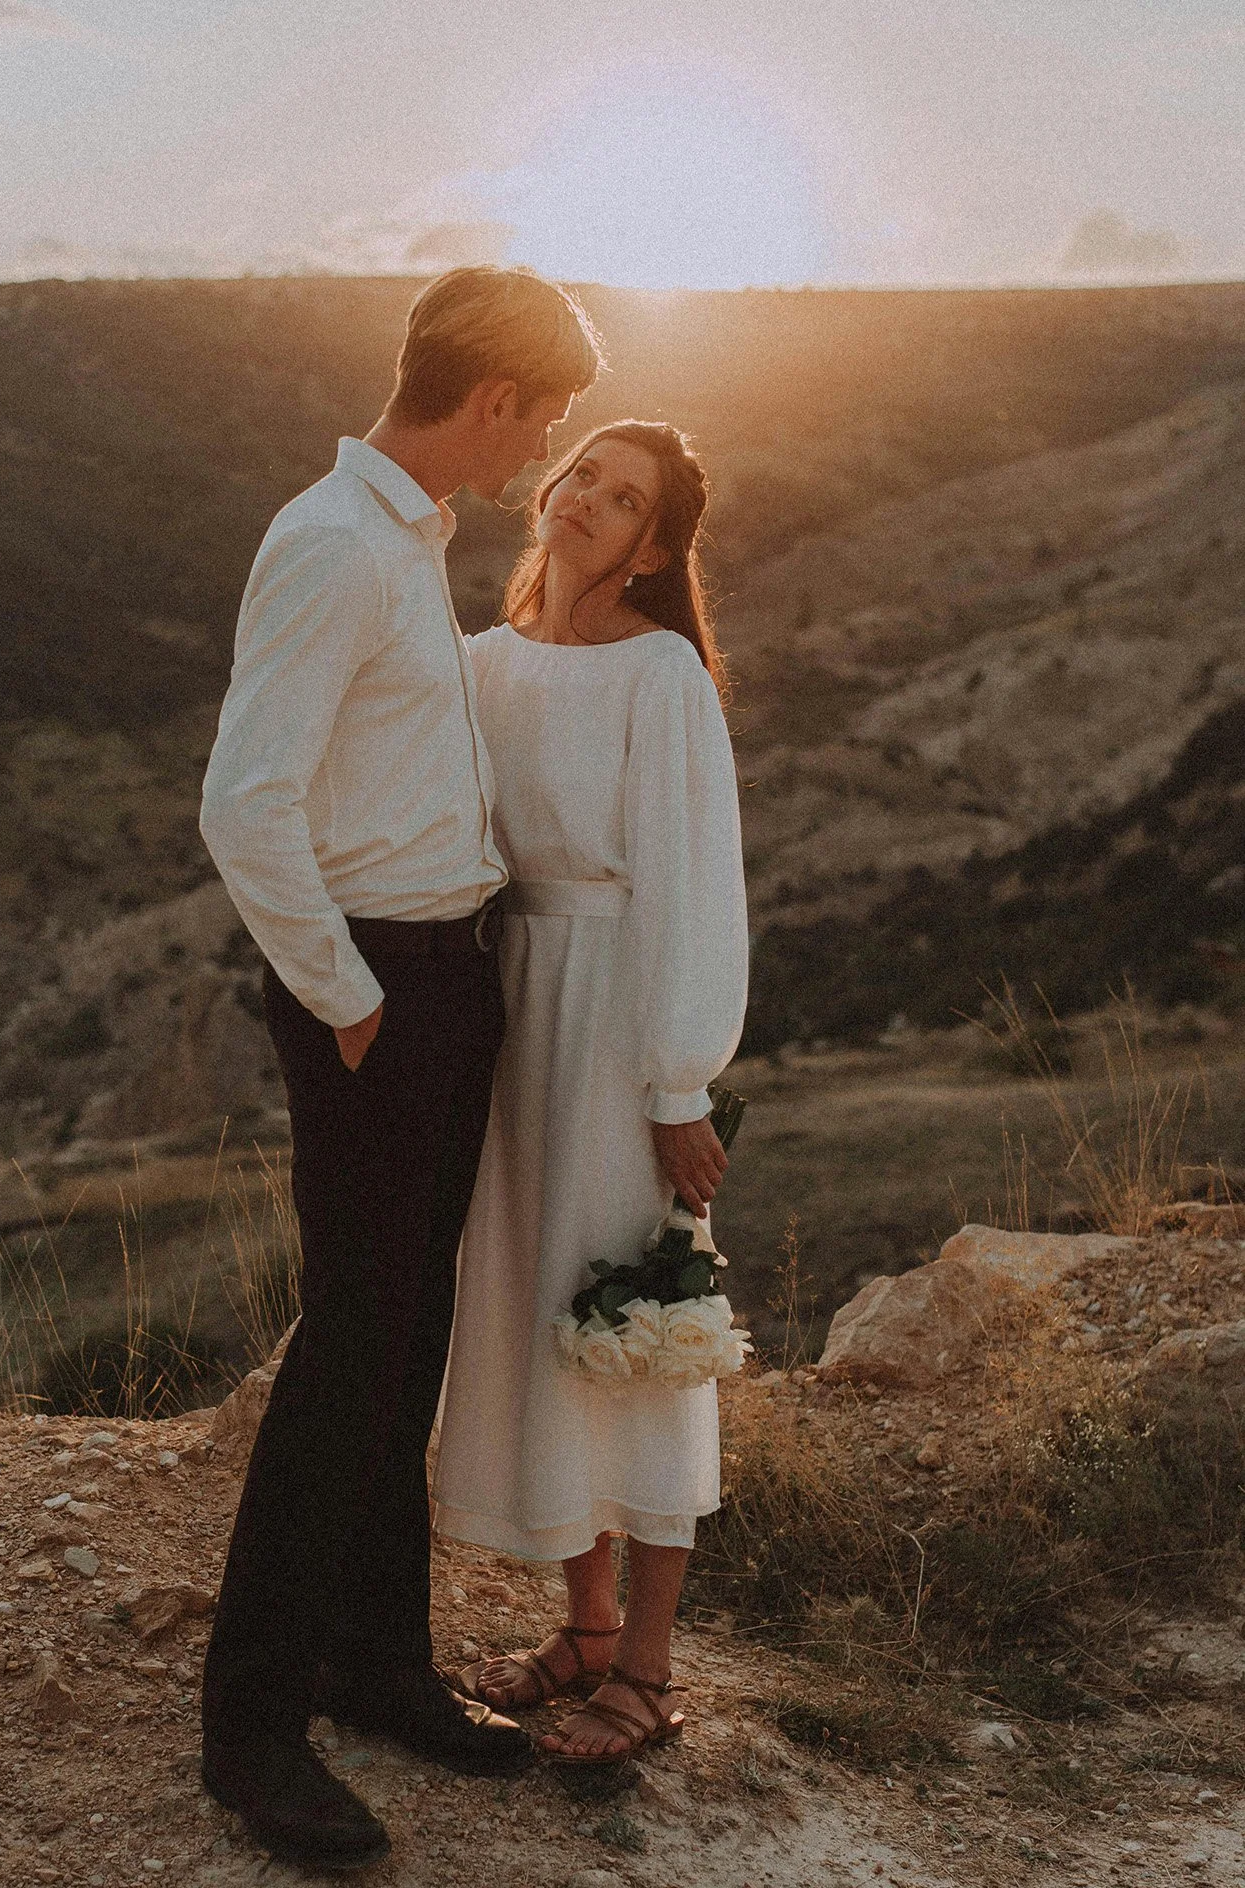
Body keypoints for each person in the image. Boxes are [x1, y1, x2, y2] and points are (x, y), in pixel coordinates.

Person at [197, 266, 602, 1869]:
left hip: (442, 980)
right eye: (546, 411)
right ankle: (251, 1726)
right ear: (491, 397)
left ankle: (378, 1667)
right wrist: (352, 997)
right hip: (379, 991)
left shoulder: (405, 541)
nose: (549, 444)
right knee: (355, 1347)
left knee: (408, 1332)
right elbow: (247, 803)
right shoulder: (331, 544)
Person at [433, 420, 750, 1763]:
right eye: (584, 479)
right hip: (513, 1013)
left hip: (621, 1020)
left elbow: (693, 876)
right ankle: (589, 1633)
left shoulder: (661, 675)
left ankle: (655, 1672)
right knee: (539, 1312)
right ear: (546, 492)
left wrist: (680, 1081)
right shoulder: (477, 664)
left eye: (628, 501)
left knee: (637, 1324)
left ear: (653, 547)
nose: (593, 505)